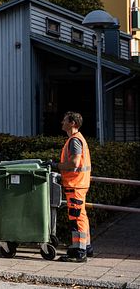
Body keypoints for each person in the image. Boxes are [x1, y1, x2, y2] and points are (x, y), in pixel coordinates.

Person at [55, 111, 92, 262]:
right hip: (79, 184)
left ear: (72, 123)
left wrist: (57, 165)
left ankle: (79, 252)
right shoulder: (77, 139)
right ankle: (86, 247)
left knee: (76, 218)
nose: (62, 123)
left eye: (64, 120)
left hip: (75, 185)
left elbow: (75, 163)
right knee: (81, 216)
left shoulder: (74, 141)